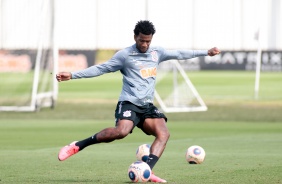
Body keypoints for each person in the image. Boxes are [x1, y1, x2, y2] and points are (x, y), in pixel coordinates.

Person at [56, 20, 220, 183]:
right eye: (142, 40)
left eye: (148, 41)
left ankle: (147, 170)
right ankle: (78, 145)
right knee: (121, 132)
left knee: (164, 134)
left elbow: (179, 54)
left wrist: (206, 52)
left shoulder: (157, 52)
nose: (145, 44)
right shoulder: (125, 55)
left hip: (147, 106)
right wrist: (73, 75)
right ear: (135, 37)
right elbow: (101, 68)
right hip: (129, 103)